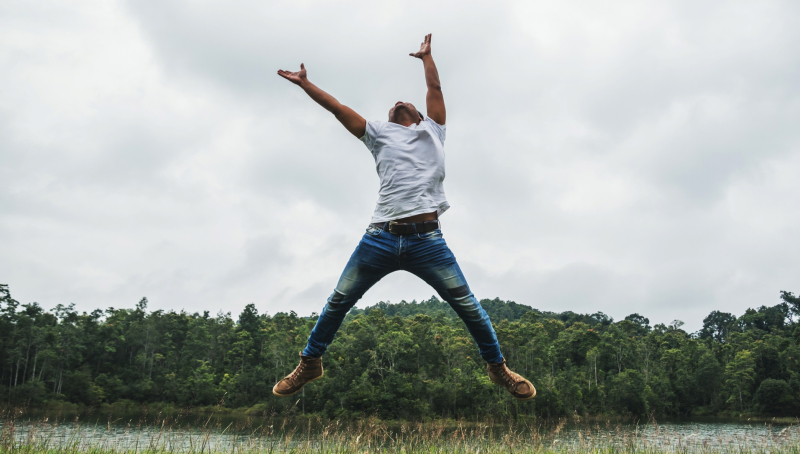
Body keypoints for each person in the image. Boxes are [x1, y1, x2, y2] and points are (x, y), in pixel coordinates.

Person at [273, 34, 535, 401]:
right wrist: (306, 84)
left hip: (427, 241)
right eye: (392, 103)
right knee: (338, 301)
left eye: (405, 102)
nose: (397, 102)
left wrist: (427, 58)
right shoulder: (378, 133)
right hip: (379, 237)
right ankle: (310, 362)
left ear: (421, 118)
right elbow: (336, 108)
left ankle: (498, 368)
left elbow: (435, 86)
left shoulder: (434, 131)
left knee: (468, 306)